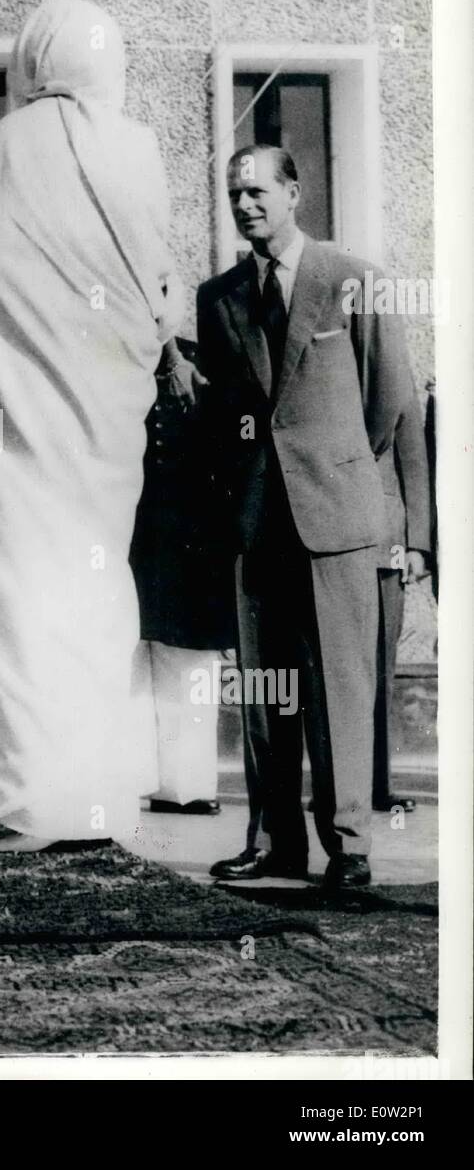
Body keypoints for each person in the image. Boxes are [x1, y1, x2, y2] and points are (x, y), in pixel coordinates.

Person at [0, 0, 183, 854]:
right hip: (103, 426)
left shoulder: (16, 143)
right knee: (92, 595)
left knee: (20, 596)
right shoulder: (136, 146)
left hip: (21, 427)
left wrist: (11, 347)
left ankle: (20, 793)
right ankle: (89, 793)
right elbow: (155, 283)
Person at [198, 145, 416, 890]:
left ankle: (348, 844)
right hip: (258, 523)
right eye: (235, 194)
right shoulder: (219, 296)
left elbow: (389, 402)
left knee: (339, 690)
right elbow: (224, 413)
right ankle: (274, 840)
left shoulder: (351, 280)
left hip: (337, 519)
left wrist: (342, 472)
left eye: (258, 190)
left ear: (295, 193)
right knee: (266, 688)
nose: (245, 204)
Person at [130, 337, 236, 816]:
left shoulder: (202, 363)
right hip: (126, 527)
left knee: (189, 660)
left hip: (192, 538)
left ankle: (187, 784)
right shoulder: (111, 354)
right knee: (126, 654)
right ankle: (130, 777)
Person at [372, 392, 432, 812]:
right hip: (313, 539)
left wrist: (416, 545)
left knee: (379, 668)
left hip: (384, 543)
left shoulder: (388, 361)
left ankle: (377, 784)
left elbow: (413, 459)